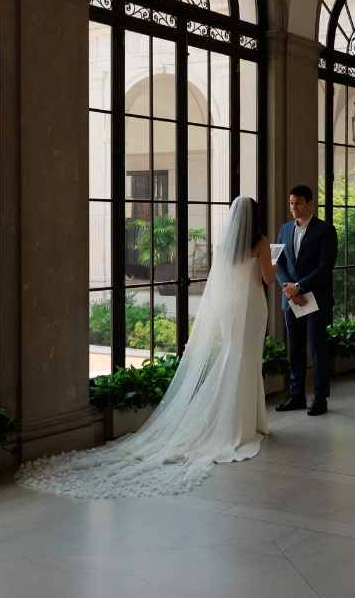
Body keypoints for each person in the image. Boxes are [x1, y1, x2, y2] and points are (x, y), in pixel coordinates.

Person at [16, 195, 278, 499]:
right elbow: (268, 280)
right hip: (252, 305)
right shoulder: (260, 242)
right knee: (247, 360)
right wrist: (275, 264)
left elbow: (218, 284)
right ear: (255, 216)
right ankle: (243, 424)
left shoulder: (224, 247)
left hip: (229, 310)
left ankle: (234, 419)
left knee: (232, 357)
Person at [274, 185, 338, 416]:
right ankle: (296, 395)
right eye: (291, 202)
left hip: (316, 299)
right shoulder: (283, 230)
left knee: (318, 347)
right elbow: (279, 265)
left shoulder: (325, 231)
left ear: (310, 203)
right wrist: (290, 289)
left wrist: (299, 286)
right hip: (292, 299)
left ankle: (320, 397)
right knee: (296, 348)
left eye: (298, 202)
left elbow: (325, 268)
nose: (294, 207)